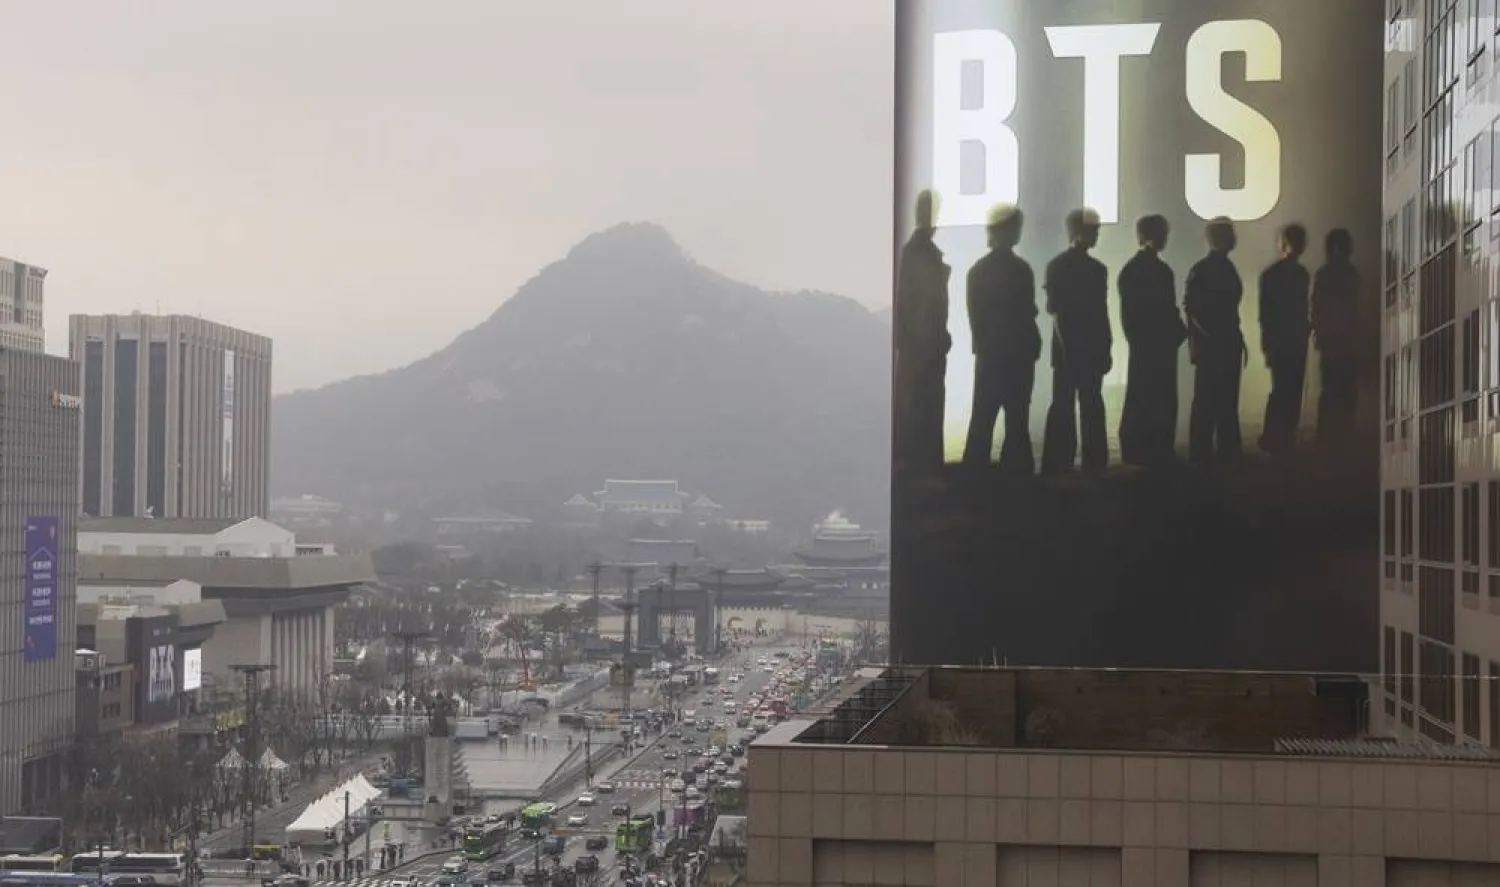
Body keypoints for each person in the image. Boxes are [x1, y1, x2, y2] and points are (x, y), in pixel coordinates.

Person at [961, 203, 1041, 474]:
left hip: (991, 356)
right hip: (1019, 356)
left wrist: (982, 348)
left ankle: (974, 477)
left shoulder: (978, 271)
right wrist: (1032, 345)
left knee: (983, 420)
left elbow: (976, 318)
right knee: (1017, 420)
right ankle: (1017, 475)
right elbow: (1028, 312)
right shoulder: (1022, 270)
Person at [1041, 208, 1113, 474]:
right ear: (1081, 232)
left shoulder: (1057, 266)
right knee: (1091, 403)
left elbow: (1057, 311)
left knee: (1063, 403)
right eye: (1094, 230)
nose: (1097, 234)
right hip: (1089, 348)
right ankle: (1095, 461)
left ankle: (1058, 462)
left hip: (1067, 350)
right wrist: (1105, 346)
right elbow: (1099, 313)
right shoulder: (1097, 270)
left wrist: (1067, 348)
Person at [1117, 214, 1187, 467]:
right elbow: (1169, 309)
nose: (1166, 238)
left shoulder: (1131, 271)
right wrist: (1178, 334)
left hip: (1146, 344)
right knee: (1162, 397)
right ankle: (1159, 447)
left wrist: (1137, 340)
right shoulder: (1162, 271)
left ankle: (1136, 447)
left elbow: (1129, 314)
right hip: (1160, 344)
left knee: (1141, 395)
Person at [893, 189, 953, 473]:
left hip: (921, 345)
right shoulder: (920, 252)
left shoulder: (916, 251)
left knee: (918, 405)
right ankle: (922, 464)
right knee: (923, 405)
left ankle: (917, 464)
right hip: (923, 346)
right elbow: (918, 302)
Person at [1185, 217, 1246, 467]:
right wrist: (1216, 337)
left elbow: (1192, 307)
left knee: (1212, 401)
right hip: (1218, 345)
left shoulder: (1206, 269)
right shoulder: (1220, 269)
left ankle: (1207, 452)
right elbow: (1193, 309)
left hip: (1216, 344)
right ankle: (1220, 451)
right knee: (1218, 401)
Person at [1257, 223, 1312, 454]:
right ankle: (1281, 436)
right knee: (1289, 389)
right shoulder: (1301, 274)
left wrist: (1267, 343)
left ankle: (1275, 437)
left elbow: (1266, 315)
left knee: (1282, 389)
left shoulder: (1271, 275)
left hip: (1283, 338)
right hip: (1292, 339)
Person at [1311, 228, 1362, 447]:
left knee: (1332, 388)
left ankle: (1328, 433)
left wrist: (1319, 331)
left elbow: (1317, 307)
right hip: (1344, 339)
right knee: (1344, 387)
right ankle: (1342, 431)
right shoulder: (1351, 274)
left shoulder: (1325, 274)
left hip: (1333, 339)